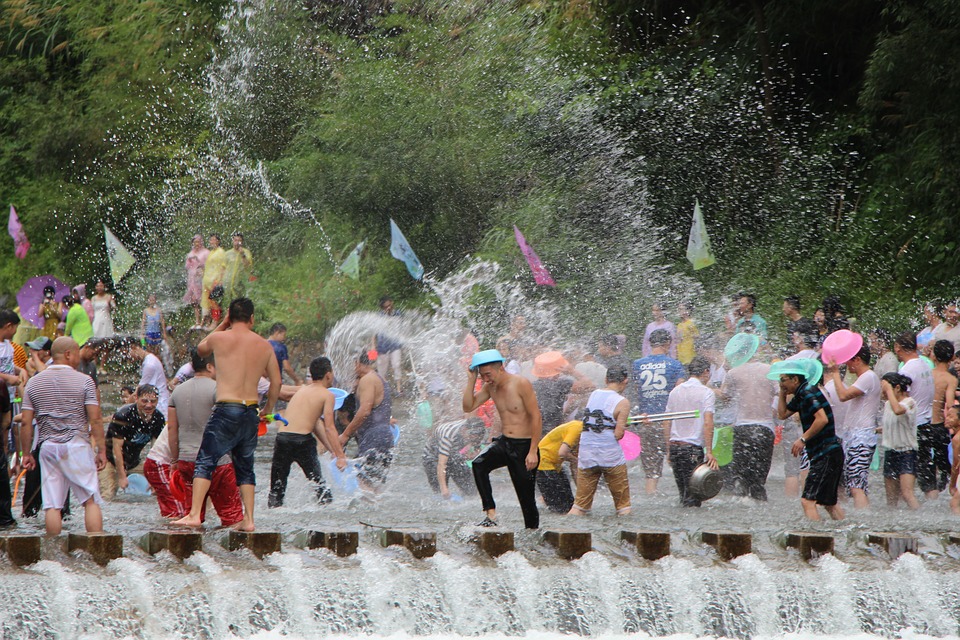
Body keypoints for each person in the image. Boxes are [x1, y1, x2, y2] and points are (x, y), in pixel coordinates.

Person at [174, 298, 280, 531]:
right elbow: (276, 382)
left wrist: (222, 324)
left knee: (205, 460)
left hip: (226, 408)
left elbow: (200, 350)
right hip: (250, 410)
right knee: (245, 466)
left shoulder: (219, 338)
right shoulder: (265, 346)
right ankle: (249, 520)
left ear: (230, 317)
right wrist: (268, 410)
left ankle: (194, 514)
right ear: (252, 318)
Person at [18, 337, 106, 536]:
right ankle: (97, 547)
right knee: (90, 500)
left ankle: (53, 551)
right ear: (68, 354)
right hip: (77, 445)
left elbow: (25, 422)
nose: (78, 358)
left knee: (52, 505)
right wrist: (101, 450)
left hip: (48, 446)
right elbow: (95, 419)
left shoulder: (34, 382)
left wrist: (26, 454)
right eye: (76, 353)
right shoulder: (85, 381)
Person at [163, 349, 243, 525]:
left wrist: (174, 460)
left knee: (193, 515)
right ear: (210, 366)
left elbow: (172, 429)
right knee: (232, 516)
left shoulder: (177, 392)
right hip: (218, 463)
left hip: (186, 460)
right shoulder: (219, 389)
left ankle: (192, 542)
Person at [463, 350, 541, 528]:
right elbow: (468, 406)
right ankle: (491, 515)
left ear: (501, 368)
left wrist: (533, 451)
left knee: (526, 499)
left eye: (488, 374)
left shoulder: (520, 383)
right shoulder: (490, 387)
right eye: (482, 376)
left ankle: (532, 533)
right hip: (505, 442)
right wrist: (471, 380)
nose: (486, 379)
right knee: (479, 464)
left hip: (524, 446)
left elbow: (536, 416)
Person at [268, 356, 348, 507]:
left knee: (277, 488)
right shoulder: (328, 395)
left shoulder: (302, 390)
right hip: (302, 442)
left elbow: (315, 424)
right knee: (319, 484)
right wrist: (341, 456)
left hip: (282, 438)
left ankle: (273, 511)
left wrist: (332, 450)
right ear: (328, 375)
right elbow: (329, 427)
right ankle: (328, 510)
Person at [777, 362, 845, 521]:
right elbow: (782, 414)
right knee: (829, 503)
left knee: (807, 501)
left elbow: (822, 419)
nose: (781, 383)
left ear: (795, 379)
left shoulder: (807, 392)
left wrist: (803, 439)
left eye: (784, 380)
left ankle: (816, 534)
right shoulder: (801, 394)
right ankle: (844, 530)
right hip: (829, 453)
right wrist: (782, 392)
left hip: (826, 453)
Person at [718, 337, 777, 501]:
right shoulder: (770, 370)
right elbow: (781, 393)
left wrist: (725, 372)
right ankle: (761, 505)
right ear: (755, 350)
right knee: (759, 479)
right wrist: (774, 410)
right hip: (765, 428)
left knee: (740, 477)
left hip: (742, 428)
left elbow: (725, 397)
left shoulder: (733, 372)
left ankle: (741, 506)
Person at [569, 363, 631, 516]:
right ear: (625, 381)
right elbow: (618, 434)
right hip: (610, 455)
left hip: (587, 454)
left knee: (579, 506)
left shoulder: (594, 394)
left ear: (606, 379)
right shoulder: (622, 402)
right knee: (623, 506)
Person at [826, 344, 882, 509]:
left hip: (861, 438)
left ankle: (863, 520)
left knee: (856, 486)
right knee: (856, 484)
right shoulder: (865, 377)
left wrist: (835, 373)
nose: (846, 364)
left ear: (857, 360)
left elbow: (843, 396)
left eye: (848, 360)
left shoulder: (868, 377)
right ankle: (862, 516)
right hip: (856, 437)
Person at [632, 329, 685, 494]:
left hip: (647, 420)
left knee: (651, 471)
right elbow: (680, 392)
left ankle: (650, 494)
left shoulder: (637, 364)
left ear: (650, 343)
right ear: (668, 344)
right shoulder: (675, 365)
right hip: (669, 422)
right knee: (679, 465)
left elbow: (636, 391)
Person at [664, 356, 718, 507]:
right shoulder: (706, 393)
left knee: (683, 494)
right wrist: (709, 451)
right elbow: (708, 422)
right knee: (694, 496)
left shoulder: (675, 391)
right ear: (706, 372)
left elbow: (666, 421)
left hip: (675, 447)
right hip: (692, 449)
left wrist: (668, 450)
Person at [339, 352, 394, 494]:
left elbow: (364, 410)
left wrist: (345, 435)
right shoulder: (380, 378)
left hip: (374, 437)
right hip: (384, 437)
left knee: (363, 484)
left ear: (357, 363)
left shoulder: (367, 380)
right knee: (375, 487)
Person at [100, 384, 165, 500]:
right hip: (110, 461)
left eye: (153, 401)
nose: (149, 405)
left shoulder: (158, 418)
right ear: (136, 398)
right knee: (108, 496)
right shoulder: (123, 415)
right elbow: (116, 449)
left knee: (158, 490)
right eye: (144, 401)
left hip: (134, 463)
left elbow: (156, 450)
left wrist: (154, 477)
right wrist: (121, 476)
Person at [894, 332, 937, 497]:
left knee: (907, 472)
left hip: (912, 426)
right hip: (926, 422)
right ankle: (933, 503)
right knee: (927, 471)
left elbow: (901, 400)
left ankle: (911, 505)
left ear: (898, 348)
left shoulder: (906, 370)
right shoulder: (925, 364)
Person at [879, 372, 920, 509]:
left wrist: (888, 390)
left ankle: (918, 517)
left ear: (897, 388)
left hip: (907, 453)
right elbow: (894, 423)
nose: (883, 392)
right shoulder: (887, 404)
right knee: (891, 499)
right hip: (890, 451)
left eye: (885, 389)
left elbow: (898, 410)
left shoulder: (910, 402)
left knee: (907, 493)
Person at [423, 417, 487, 499]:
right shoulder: (448, 436)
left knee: (471, 490)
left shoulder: (476, 430)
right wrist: (444, 489)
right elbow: (441, 464)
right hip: (433, 457)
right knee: (440, 492)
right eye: (472, 436)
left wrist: (471, 454)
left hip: (453, 455)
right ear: (464, 430)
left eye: (478, 436)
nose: (474, 438)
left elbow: (476, 446)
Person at [927, 339, 957, 496]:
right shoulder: (950, 379)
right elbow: (950, 405)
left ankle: (929, 493)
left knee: (926, 465)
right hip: (939, 425)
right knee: (944, 467)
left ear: (933, 355)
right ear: (952, 357)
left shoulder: (927, 374)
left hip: (923, 425)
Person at [536, 419, 583, 513]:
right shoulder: (577, 428)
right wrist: (576, 460)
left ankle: (543, 499)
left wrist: (581, 493)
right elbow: (562, 453)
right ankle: (543, 500)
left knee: (569, 505)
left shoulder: (582, 436)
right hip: (543, 464)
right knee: (559, 508)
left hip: (555, 466)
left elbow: (574, 467)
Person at [127, 339, 171, 417]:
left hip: (159, 407)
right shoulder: (151, 359)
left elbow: (138, 392)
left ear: (134, 348)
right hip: (159, 404)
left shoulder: (149, 364)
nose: (129, 356)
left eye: (128, 352)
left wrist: (124, 407)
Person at [373, 296, 404, 396]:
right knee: (381, 370)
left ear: (392, 303)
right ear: (382, 307)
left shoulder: (398, 314)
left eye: (390, 305)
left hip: (395, 345)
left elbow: (403, 328)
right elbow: (374, 333)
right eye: (386, 307)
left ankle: (399, 389)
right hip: (382, 346)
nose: (388, 308)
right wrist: (373, 346)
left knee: (396, 365)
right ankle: (384, 389)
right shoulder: (378, 316)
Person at [183, 235, 209, 328]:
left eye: (198, 242)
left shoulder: (206, 252)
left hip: (202, 278)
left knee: (204, 299)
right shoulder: (191, 253)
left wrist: (198, 261)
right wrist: (190, 260)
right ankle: (197, 321)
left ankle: (206, 321)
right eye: (195, 242)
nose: (197, 244)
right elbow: (187, 266)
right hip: (192, 279)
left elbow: (208, 264)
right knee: (194, 301)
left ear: (201, 242)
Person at [201, 234, 226, 329]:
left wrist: (221, 279)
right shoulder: (211, 252)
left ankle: (215, 321)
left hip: (216, 281)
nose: (211, 242)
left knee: (214, 301)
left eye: (213, 240)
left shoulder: (221, 252)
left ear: (218, 241)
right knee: (209, 302)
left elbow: (223, 267)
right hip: (207, 281)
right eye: (210, 240)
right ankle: (211, 321)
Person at [222, 232, 253, 303]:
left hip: (240, 283)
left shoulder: (246, 252)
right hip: (228, 283)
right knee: (229, 303)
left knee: (240, 303)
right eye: (235, 240)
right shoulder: (227, 253)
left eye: (239, 241)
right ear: (232, 241)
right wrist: (221, 280)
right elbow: (223, 268)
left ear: (242, 242)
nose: (237, 243)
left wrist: (242, 254)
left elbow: (248, 266)